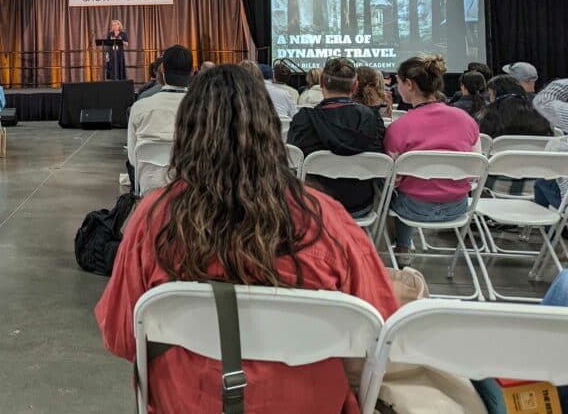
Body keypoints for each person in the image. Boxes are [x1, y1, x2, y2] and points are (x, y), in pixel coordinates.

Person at [96, 65, 399, 413]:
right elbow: (382, 333)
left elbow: (120, 336)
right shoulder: (326, 218)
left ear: (187, 133)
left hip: (186, 404)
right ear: (270, 130)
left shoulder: (152, 219)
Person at [384, 55, 480, 262]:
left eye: (398, 81)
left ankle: (402, 247)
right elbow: (475, 170)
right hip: (458, 207)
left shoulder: (398, 128)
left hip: (412, 208)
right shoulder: (466, 120)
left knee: (385, 186)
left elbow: (393, 179)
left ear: (408, 84)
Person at [287, 57, 386, 218]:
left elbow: (292, 161)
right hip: (360, 206)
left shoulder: (304, 120)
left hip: (315, 206)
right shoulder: (372, 119)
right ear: (355, 86)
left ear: (321, 82)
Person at [126, 45, 193, 196]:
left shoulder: (139, 107)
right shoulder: (203, 107)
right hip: (191, 190)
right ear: (192, 71)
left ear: (162, 71)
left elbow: (132, 158)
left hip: (149, 190)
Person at [477, 74, 552, 139]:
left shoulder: (488, 115)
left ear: (495, 93)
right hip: (537, 155)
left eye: (490, 94)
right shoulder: (539, 112)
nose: (489, 99)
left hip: (500, 155)